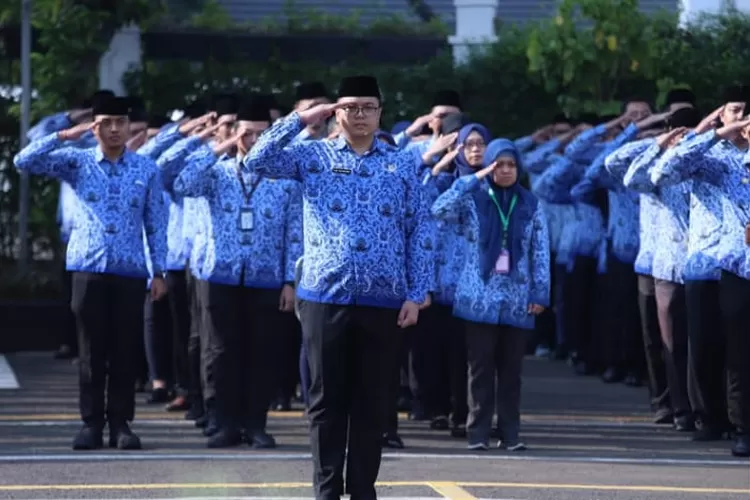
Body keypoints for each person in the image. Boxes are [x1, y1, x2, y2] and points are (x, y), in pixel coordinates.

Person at [243, 75, 433, 500]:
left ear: (381, 112)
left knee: (372, 404)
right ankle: (327, 490)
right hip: (324, 298)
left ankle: (363, 489)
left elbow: (419, 228)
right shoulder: (313, 156)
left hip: (384, 300)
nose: (360, 115)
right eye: (350, 107)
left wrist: (417, 293)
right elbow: (255, 160)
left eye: (368, 106)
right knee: (326, 402)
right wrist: (299, 119)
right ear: (336, 113)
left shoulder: (402, 163)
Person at [14, 95, 168, 450]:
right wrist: (64, 136)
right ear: (94, 126)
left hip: (130, 270)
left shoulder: (145, 168)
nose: (114, 129)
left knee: (124, 351)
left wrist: (158, 270)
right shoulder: (77, 162)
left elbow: (155, 224)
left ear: (129, 125)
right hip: (88, 268)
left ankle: (121, 424)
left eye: (120, 122)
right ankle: (91, 424)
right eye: (105, 122)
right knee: (91, 350)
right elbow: (23, 160)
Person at [173, 96, 302, 449]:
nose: (254, 141)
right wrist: (222, 146)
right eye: (248, 134)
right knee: (219, 351)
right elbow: (181, 183)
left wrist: (290, 280)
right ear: (235, 134)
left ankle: (255, 424)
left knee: (262, 352)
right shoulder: (216, 173)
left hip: (266, 276)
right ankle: (221, 421)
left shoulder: (284, 179)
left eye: (263, 134)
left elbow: (295, 233)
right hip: (219, 275)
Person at [431, 138, 550, 451]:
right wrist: (476, 177)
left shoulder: (531, 203)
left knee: (511, 372)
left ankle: (510, 434)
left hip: (517, 299)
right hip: (478, 298)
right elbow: (439, 209)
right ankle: (478, 433)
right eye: (500, 164)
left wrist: (540, 293)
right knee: (480, 369)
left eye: (512, 165)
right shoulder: (474, 199)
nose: (506, 170)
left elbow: (540, 251)